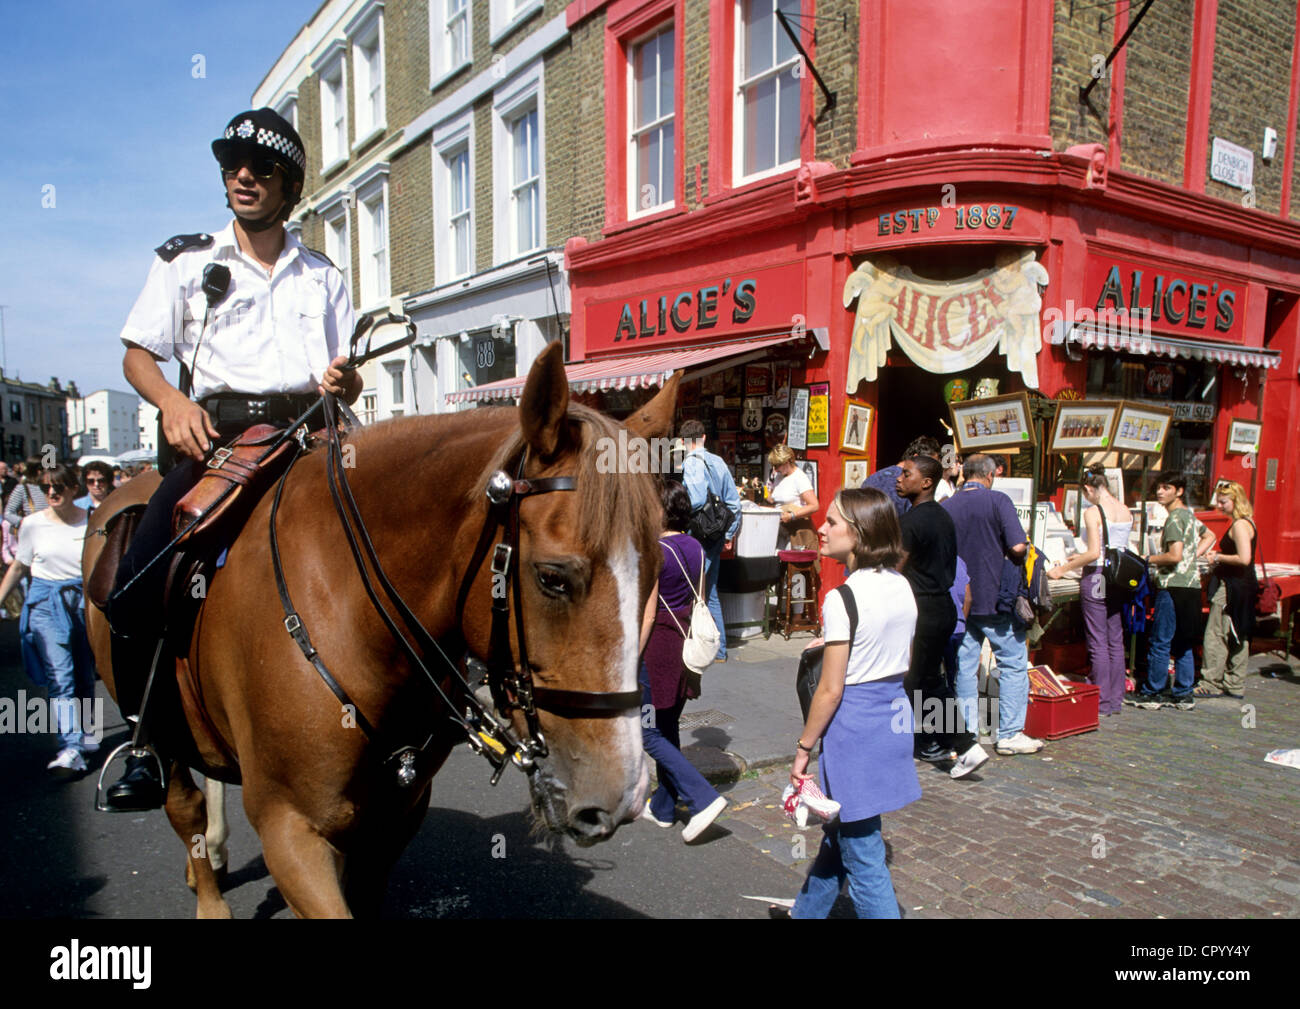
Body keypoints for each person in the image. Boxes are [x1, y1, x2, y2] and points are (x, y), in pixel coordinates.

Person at [101, 107, 359, 811]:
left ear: (290, 185)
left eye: (262, 167)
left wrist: (346, 382)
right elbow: (136, 353)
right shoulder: (185, 261)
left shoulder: (322, 275)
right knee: (137, 579)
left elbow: (344, 371)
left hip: (310, 436)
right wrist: (171, 405)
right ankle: (146, 746)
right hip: (217, 444)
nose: (243, 175)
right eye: (232, 164)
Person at [788, 489, 920, 918]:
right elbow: (903, 657)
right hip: (893, 716)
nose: (821, 530)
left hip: (856, 728)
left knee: (864, 859)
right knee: (843, 833)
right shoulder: (901, 585)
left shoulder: (841, 598)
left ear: (860, 533)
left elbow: (831, 689)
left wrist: (804, 747)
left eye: (831, 523)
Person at [637, 480, 727, 842]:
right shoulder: (695, 546)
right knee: (669, 722)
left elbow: (646, 614)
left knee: (646, 731)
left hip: (656, 645)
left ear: (660, 510)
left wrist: (631, 656)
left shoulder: (654, 550)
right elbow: (700, 598)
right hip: (684, 639)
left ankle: (702, 797)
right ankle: (662, 807)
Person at [942, 454, 1044, 755]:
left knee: (964, 667)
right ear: (989, 475)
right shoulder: (998, 501)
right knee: (1012, 662)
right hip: (995, 596)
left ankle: (968, 735)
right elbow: (1017, 546)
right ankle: (1010, 734)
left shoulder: (948, 505)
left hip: (961, 598)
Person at [0, 464, 97, 775]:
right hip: (45, 600)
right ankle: (71, 747)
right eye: (46, 488)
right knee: (60, 674)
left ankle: (88, 730)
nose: (52, 493)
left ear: (73, 489)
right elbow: (18, 567)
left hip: (83, 598)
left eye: (58, 486)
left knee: (85, 671)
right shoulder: (31, 524)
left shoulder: (91, 522)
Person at [896, 454, 987, 777]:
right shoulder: (942, 517)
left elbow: (896, 568)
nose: (899, 479)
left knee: (913, 681)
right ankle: (963, 745)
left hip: (922, 610)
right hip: (942, 607)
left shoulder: (913, 522)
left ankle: (954, 744)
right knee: (927, 680)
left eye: (907, 474)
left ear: (926, 482)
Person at [1046, 464, 1133, 716]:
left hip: (1096, 576)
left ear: (1088, 489)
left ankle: (1101, 700)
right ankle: (1115, 698)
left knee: (1097, 640)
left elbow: (1094, 552)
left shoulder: (1094, 512)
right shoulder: (1125, 510)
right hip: (1117, 579)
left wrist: (1062, 569)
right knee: (1115, 639)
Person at [1127, 471, 1214, 711]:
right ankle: (1183, 693)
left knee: (1161, 640)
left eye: (1166, 488)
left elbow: (1174, 556)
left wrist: (1147, 558)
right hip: (1191, 585)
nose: (1160, 492)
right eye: (1159, 488)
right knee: (1184, 641)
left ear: (1179, 491)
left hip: (1172, 586)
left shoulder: (1175, 518)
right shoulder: (1189, 515)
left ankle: (1154, 691)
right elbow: (1210, 535)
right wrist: (1192, 558)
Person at [679, 419, 741, 662]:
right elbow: (734, 504)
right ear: (704, 438)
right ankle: (720, 649)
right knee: (710, 591)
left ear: (683, 442)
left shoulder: (692, 462)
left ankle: (696, 645)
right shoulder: (719, 462)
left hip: (699, 534)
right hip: (715, 534)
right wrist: (728, 534)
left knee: (693, 589)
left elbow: (694, 501)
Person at [1197, 481, 1258, 700]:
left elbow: (1244, 558)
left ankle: (1210, 681)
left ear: (1235, 501)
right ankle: (1235, 682)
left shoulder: (1240, 525)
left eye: (1223, 502)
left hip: (1232, 586)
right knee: (1238, 633)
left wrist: (1217, 556)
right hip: (1244, 586)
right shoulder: (1247, 522)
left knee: (1217, 632)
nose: (1219, 507)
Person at [862, 435, 941, 517]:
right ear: (916, 458)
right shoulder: (907, 486)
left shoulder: (874, 477)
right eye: (930, 465)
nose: (933, 471)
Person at [767, 443, 818, 549]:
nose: (775, 469)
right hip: (779, 530)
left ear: (787, 462)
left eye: (777, 465)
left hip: (795, 530)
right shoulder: (778, 476)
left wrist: (792, 516)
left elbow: (814, 505)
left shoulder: (799, 478)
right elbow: (772, 499)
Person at [4, 459, 48, 532]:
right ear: (37, 471)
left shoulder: (52, 487)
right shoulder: (23, 488)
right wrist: (25, 523)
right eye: (45, 469)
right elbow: (8, 513)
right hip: (33, 533)